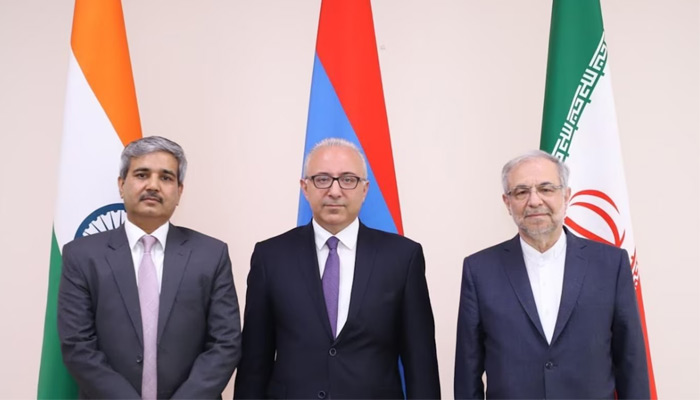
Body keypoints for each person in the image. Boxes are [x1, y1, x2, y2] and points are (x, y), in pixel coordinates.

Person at [234, 138, 440, 399]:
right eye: (322, 179)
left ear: (364, 189)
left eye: (347, 179)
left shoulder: (402, 257)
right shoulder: (271, 257)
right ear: (305, 187)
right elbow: (254, 364)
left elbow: (421, 365)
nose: (334, 191)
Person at [454, 150, 649, 399]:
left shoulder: (611, 264)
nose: (534, 201)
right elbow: (467, 373)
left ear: (566, 195)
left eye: (546, 189)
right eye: (521, 192)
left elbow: (631, 362)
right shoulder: (479, 270)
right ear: (507, 202)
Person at [58, 136, 241, 399]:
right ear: (122, 185)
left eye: (166, 177)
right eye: (142, 175)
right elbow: (77, 346)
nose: (153, 185)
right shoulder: (81, 256)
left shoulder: (211, 255)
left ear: (179, 191)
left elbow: (225, 343)